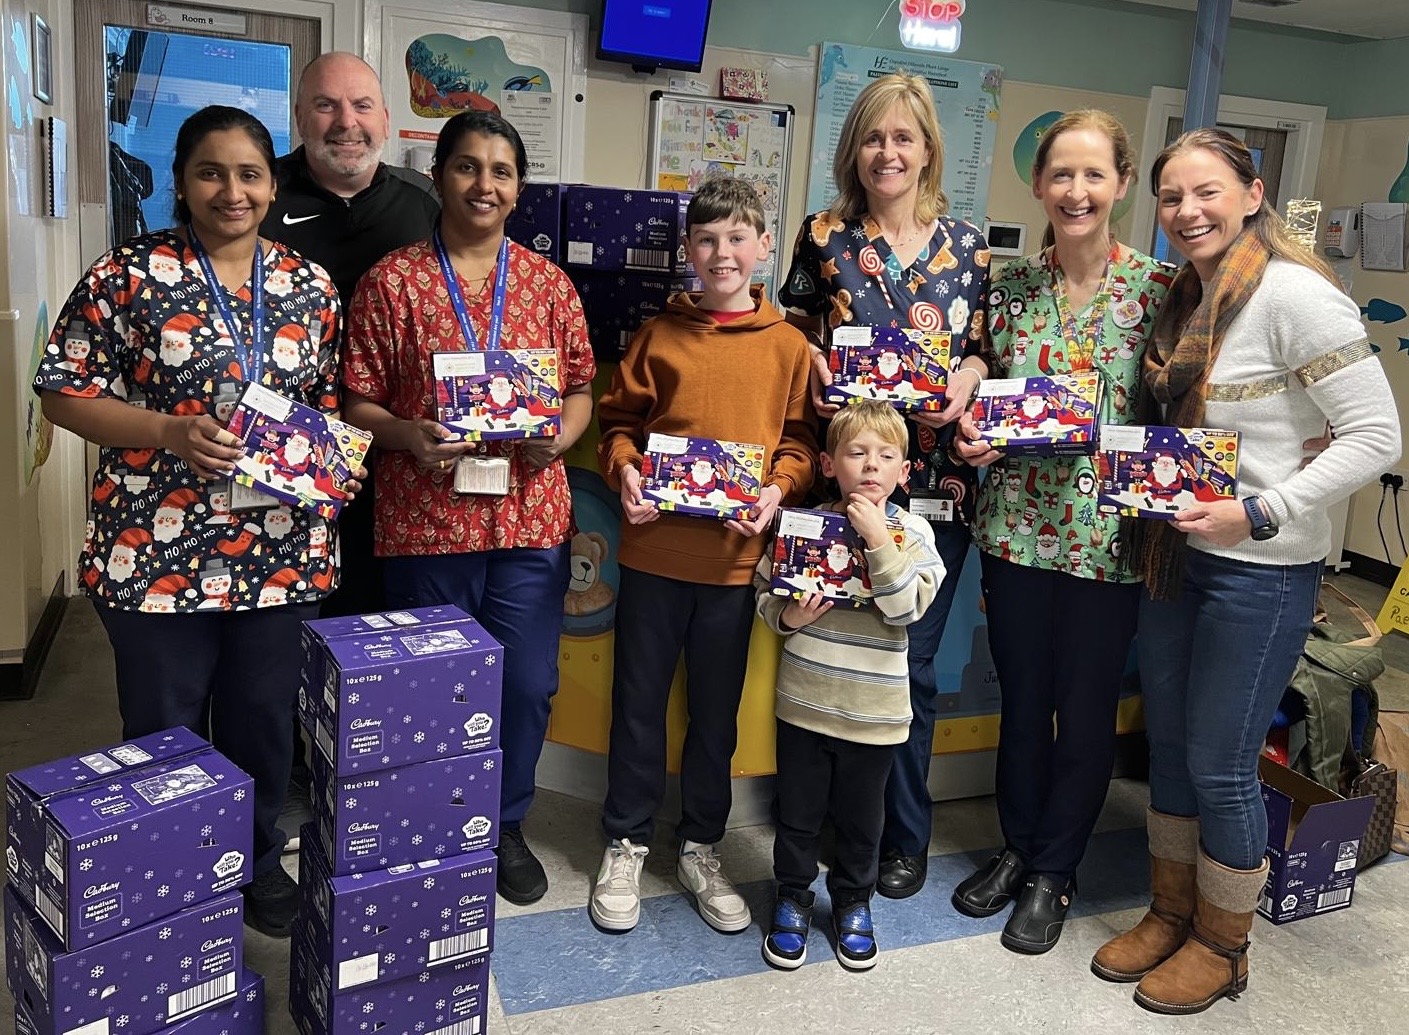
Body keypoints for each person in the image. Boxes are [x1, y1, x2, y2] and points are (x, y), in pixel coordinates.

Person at [1096, 128, 1400, 1014]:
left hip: (1258, 569)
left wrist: (1260, 508)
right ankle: (1169, 908)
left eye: (1206, 192)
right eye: (1170, 196)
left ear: (1252, 193)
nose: (1187, 211)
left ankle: (1223, 944)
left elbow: (1378, 435)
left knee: (1224, 760)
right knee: (1177, 747)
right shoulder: (1185, 298)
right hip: (1175, 556)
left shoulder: (1295, 295)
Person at [33, 105, 345, 938]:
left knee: (261, 718)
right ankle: (171, 867)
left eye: (249, 173)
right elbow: (63, 390)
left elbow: (326, 404)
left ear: (273, 185)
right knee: (163, 724)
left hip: (279, 551)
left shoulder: (309, 287)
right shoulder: (126, 275)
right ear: (181, 182)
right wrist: (167, 430)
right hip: (154, 549)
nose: (231, 191)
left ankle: (252, 856)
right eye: (211, 172)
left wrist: (326, 460)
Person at [341, 110, 595, 906]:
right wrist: (404, 434)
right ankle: (435, 825)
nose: (485, 184)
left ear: (518, 188)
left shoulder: (548, 285)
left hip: (527, 519)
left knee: (524, 685)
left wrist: (561, 436)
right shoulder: (394, 281)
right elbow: (355, 402)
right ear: (439, 174)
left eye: (501, 171)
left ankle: (504, 823)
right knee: (433, 688)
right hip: (425, 522)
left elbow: (581, 385)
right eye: (467, 167)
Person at [950, 111, 1175, 954]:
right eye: (1059, 176)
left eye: (1092, 176)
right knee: (1022, 701)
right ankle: (1016, 846)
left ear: (1120, 184)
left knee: (1082, 711)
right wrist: (972, 437)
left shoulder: (1158, 292)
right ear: (1039, 185)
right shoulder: (1007, 292)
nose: (1074, 192)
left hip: (1104, 540)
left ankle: (1055, 868)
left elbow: (1178, 411)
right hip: (1014, 532)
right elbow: (986, 400)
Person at [779, 72, 992, 898]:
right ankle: (834, 822)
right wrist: (817, 376)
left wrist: (967, 382)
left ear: (929, 147)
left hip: (933, 484)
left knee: (911, 662)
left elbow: (980, 347)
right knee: (835, 645)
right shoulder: (824, 235)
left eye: (903, 137)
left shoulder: (968, 245)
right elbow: (794, 339)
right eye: (873, 137)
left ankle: (901, 835)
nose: (887, 152)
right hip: (845, 480)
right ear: (852, 149)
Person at [592, 176, 817, 934]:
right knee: (638, 707)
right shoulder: (659, 334)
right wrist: (623, 470)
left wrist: (778, 489)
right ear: (688, 250)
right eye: (707, 239)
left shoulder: (789, 345)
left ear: (761, 247)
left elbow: (800, 442)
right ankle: (625, 837)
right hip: (654, 552)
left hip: (732, 563)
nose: (722, 253)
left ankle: (700, 843)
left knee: (714, 716)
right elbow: (616, 424)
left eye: (736, 239)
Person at [261, 51, 440, 853]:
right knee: (281, 631)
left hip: (389, 462)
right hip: (276, 469)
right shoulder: (259, 194)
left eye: (362, 105)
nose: (347, 122)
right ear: (301, 114)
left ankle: (355, 764)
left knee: (370, 619)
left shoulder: (422, 204)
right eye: (328, 106)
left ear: (387, 115)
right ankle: (287, 775)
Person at [754, 401, 943, 971]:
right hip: (805, 705)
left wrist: (877, 541)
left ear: (904, 472)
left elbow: (906, 607)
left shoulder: (915, 532)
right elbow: (765, 597)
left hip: (876, 715)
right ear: (828, 463)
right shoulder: (804, 525)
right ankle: (791, 894)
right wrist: (790, 619)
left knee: (863, 820)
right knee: (798, 813)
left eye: (886, 456)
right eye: (856, 453)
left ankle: (854, 902)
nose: (870, 466)